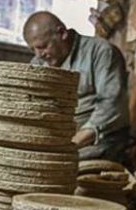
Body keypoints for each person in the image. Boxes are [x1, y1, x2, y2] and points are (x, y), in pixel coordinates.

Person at [23, 11, 130, 163]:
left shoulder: (100, 52)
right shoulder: (38, 63)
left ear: (62, 33)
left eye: (43, 46)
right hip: (60, 137)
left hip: (101, 138)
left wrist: (71, 144)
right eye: (33, 49)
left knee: (54, 166)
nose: (39, 55)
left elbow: (111, 106)